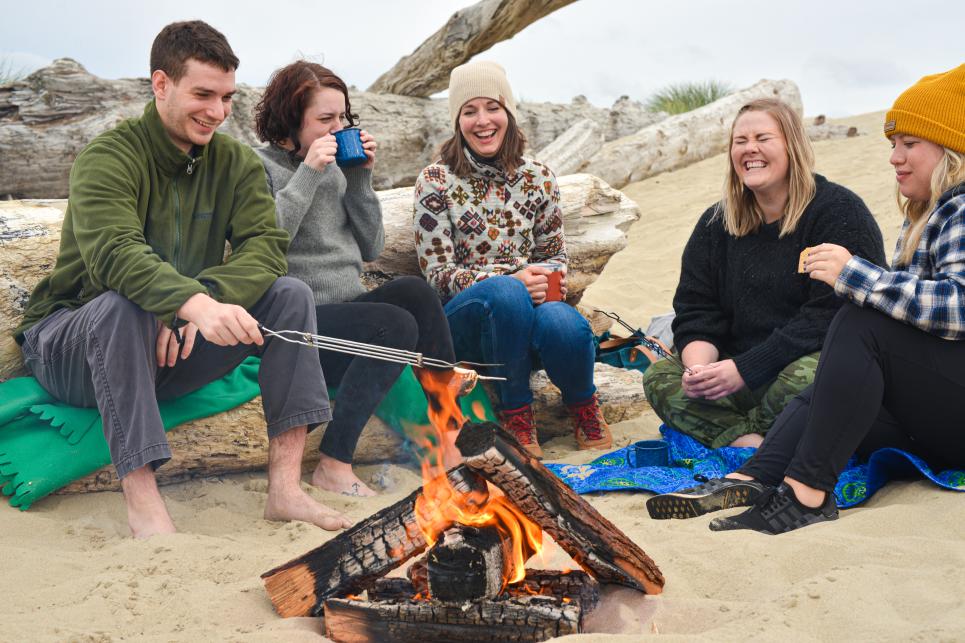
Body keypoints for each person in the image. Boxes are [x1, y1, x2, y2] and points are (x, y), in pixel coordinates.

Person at [13, 21, 351, 538]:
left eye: (227, 98)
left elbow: (266, 249)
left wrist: (206, 299)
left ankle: (285, 490)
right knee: (120, 306)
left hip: (174, 347)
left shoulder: (235, 162)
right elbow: (115, 255)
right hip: (73, 344)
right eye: (202, 94)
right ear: (160, 84)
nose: (216, 112)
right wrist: (186, 303)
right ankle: (145, 505)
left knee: (290, 295)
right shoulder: (108, 157)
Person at [646, 64, 965, 534]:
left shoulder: (954, 208)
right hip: (930, 417)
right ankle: (751, 477)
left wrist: (855, 275)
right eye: (893, 145)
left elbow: (957, 308)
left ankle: (807, 492)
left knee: (855, 326)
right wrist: (700, 363)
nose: (895, 158)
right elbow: (696, 307)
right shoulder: (926, 216)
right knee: (830, 388)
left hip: (810, 370)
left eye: (910, 144)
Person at [253, 60, 461, 495]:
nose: (338, 127)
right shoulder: (260, 168)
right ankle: (334, 461)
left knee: (415, 293)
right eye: (325, 119)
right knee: (396, 325)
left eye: (343, 117)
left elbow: (371, 246)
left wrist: (360, 177)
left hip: (347, 309)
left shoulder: (339, 169)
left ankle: (448, 430)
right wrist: (308, 173)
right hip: (297, 318)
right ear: (290, 121)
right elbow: (268, 242)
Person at [642, 98, 886, 449]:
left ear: (792, 146)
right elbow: (697, 310)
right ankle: (752, 440)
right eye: (740, 141)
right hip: (737, 374)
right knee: (661, 377)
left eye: (763, 138)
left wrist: (746, 369)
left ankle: (747, 438)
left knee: (815, 375)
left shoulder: (838, 212)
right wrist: (699, 372)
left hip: (803, 364)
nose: (749, 149)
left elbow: (830, 315)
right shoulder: (716, 224)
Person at [412, 61, 610, 459]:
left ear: (509, 114)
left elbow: (554, 257)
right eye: (470, 111)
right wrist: (513, 279)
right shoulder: (435, 181)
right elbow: (436, 274)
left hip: (526, 316)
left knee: (565, 322)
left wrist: (544, 281)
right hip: (466, 324)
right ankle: (516, 410)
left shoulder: (539, 177)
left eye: (492, 108)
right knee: (504, 293)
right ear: (457, 121)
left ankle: (584, 405)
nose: (482, 121)